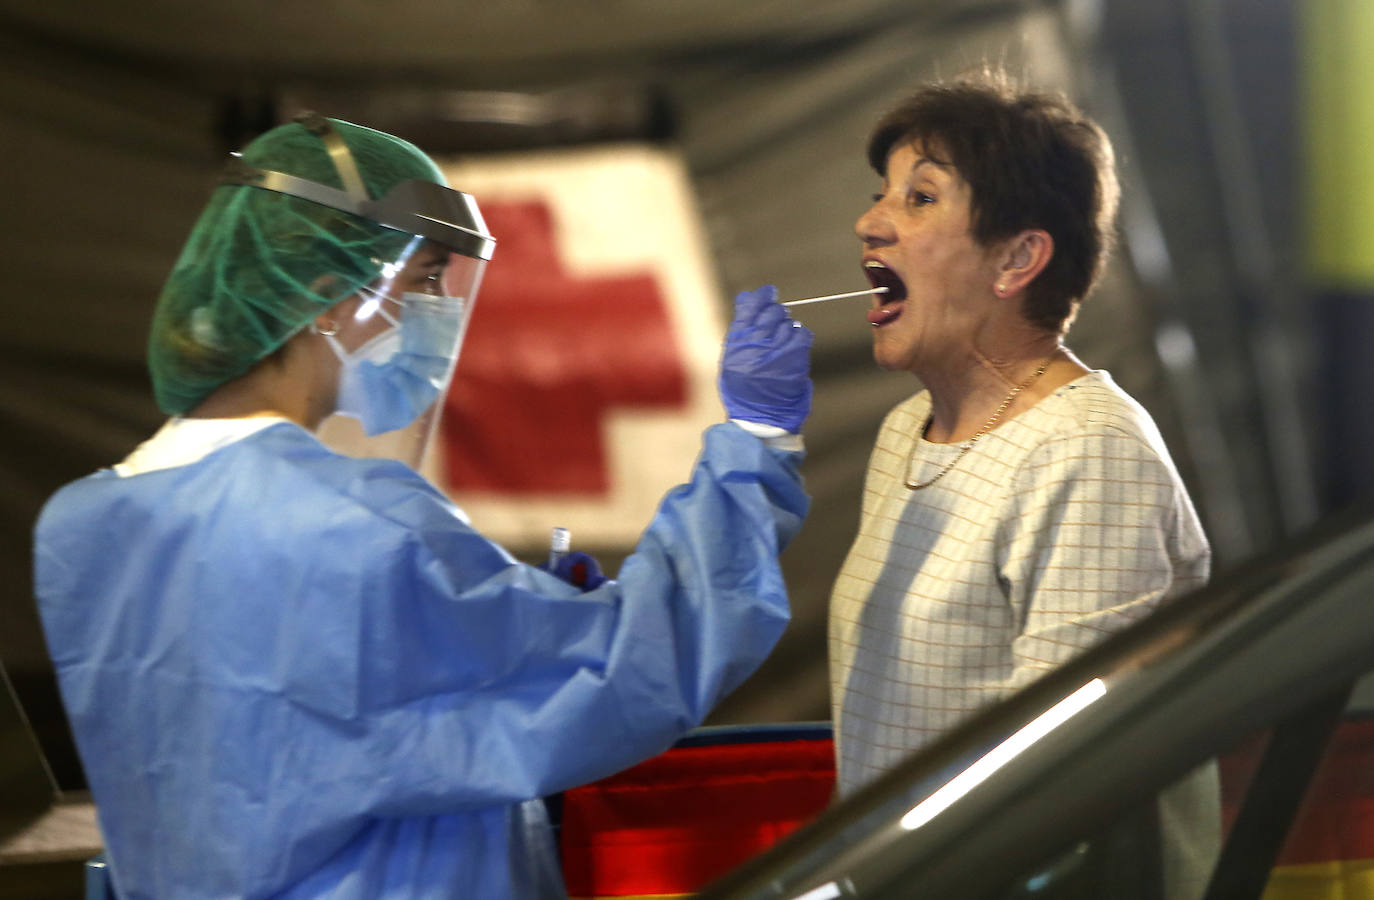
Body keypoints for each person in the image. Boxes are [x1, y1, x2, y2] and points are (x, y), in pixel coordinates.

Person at [33, 112, 813, 899]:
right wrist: (754, 442)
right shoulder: (357, 524)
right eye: (424, 278)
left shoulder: (82, 525)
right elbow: (633, 663)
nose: (438, 308)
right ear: (324, 295)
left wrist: (517, 612)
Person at [827, 74, 1218, 894]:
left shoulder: (1088, 453)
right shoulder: (907, 431)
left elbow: (1054, 783)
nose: (870, 223)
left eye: (920, 197)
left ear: (1018, 258)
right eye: (882, 196)